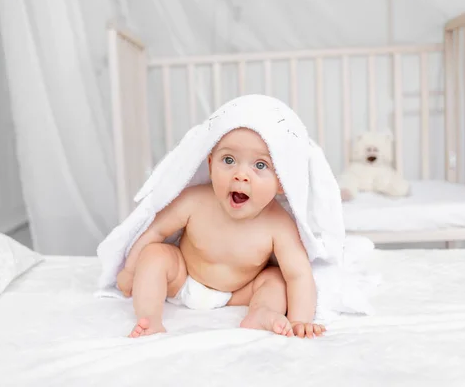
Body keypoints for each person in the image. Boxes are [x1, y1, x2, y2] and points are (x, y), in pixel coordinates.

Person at [116, 127, 325, 339]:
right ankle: (149, 318)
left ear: (281, 181)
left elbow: (299, 275)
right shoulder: (194, 201)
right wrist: (130, 270)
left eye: (260, 165)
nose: (241, 175)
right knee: (155, 254)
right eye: (228, 160)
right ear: (210, 164)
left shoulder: (279, 225)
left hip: (238, 293)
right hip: (182, 279)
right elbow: (155, 231)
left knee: (276, 278)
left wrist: (300, 320)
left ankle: (261, 312)